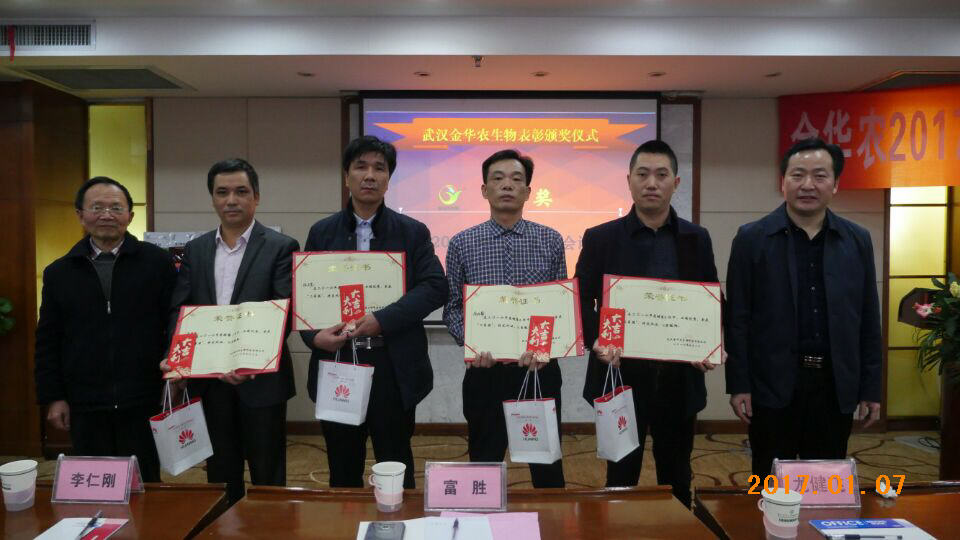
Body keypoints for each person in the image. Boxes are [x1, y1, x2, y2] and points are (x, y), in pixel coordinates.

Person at [725, 137, 882, 476]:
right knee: (767, 481)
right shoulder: (752, 239)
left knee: (825, 481)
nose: (808, 184)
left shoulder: (857, 240)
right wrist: (739, 384)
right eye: (797, 175)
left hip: (834, 385)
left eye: (820, 175)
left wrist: (871, 387)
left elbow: (869, 318)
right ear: (783, 181)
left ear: (835, 184)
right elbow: (738, 319)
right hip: (771, 384)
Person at [575, 139, 718, 507]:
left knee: (677, 475)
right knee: (620, 477)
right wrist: (596, 339)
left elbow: (710, 299)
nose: (651, 183)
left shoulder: (696, 238)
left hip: (679, 378)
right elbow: (581, 299)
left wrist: (710, 343)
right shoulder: (601, 238)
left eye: (661, 175)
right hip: (619, 378)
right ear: (629, 181)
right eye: (642, 174)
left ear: (676, 183)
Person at [301, 136, 447, 489]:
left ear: (388, 178)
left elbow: (434, 287)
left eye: (379, 168)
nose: (370, 175)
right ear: (346, 176)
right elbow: (305, 297)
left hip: (392, 366)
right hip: (339, 362)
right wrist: (314, 337)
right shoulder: (322, 232)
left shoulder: (412, 232)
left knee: (396, 466)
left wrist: (383, 319)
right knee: (342, 466)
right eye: (361, 167)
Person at [165, 158, 300, 501]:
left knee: (268, 473)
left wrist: (246, 361)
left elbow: (283, 311)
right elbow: (182, 310)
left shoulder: (281, 246)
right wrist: (177, 358)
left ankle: (269, 527)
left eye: (241, 192)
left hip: (261, 380)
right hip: (209, 381)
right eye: (222, 192)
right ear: (212, 198)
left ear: (256, 197)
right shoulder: (196, 249)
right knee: (221, 474)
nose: (231, 200)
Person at [35, 177, 176, 482]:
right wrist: (54, 396)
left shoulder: (158, 263)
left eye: (116, 207)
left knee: (143, 482)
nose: (107, 215)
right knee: (94, 483)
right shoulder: (59, 272)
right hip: (85, 400)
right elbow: (48, 339)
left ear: (130, 215)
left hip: (142, 396)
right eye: (97, 207)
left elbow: (175, 322)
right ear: (80, 215)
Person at [444, 149, 566, 488]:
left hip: (538, 371)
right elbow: (452, 307)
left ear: (528, 191)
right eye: (498, 179)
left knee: (546, 468)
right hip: (485, 372)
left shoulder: (551, 240)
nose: (507, 185)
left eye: (516, 179)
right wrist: (472, 344)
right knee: (483, 465)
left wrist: (546, 347)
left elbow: (559, 308)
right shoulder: (462, 243)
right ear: (485, 190)